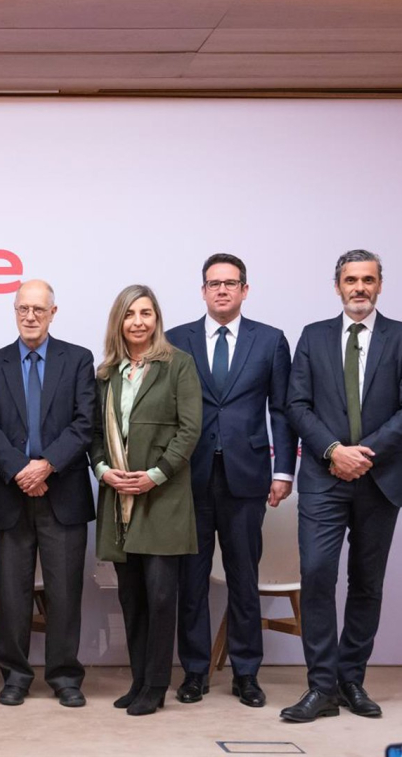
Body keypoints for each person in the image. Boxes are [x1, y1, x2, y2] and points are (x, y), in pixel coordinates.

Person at [166, 254, 297, 709]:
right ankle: (195, 672)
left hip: (248, 476)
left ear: (244, 289)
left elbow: (281, 410)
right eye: (214, 283)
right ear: (203, 290)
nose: (222, 290)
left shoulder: (270, 340)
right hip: (189, 477)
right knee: (191, 580)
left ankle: (246, 674)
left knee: (244, 578)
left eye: (230, 283)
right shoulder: (176, 339)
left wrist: (283, 470)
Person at [282, 249, 402, 723]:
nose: (359, 288)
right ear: (337, 286)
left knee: (367, 583)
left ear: (379, 285)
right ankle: (322, 688)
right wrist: (334, 451)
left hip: (380, 479)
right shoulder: (313, 337)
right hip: (323, 478)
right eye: (351, 280)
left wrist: (363, 453)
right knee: (316, 575)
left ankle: (352, 680)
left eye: (368, 279)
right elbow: (296, 404)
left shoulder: (399, 336)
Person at [0, 280, 94, 709]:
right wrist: (20, 470)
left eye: (38, 310)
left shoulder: (78, 360)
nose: (30, 316)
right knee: (12, 594)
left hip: (62, 491)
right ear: (15, 311)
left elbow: (85, 423)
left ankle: (65, 677)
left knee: (64, 593)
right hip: (11, 492)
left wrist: (46, 465)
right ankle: (15, 676)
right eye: (23, 309)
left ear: (53, 313)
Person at [90, 284, 201, 717]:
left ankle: (156, 686)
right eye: (130, 314)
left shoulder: (178, 365)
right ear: (118, 321)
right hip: (118, 498)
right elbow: (94, 435)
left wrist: (155, 475)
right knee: (131, 598)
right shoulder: (106, 374)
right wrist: (103, 470)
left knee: (160, 597)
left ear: (157, 319)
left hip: (163, 498)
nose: (138, 322)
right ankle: (138, 681)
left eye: (146, 313)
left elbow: (189, 430)